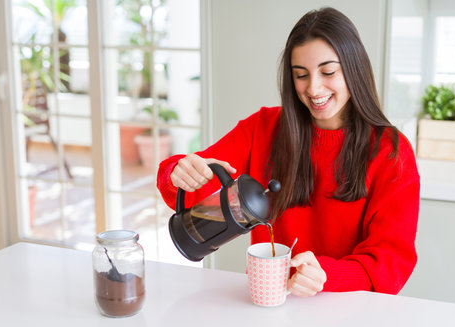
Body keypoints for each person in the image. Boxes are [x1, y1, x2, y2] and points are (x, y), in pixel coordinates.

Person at [157, 7, 420, 297]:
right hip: (270, 303)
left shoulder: (390, 151)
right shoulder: (264, 128)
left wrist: (327, 275)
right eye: (301, 75)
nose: (314, 88)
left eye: (328, 71)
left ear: (353, 67)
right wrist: (178, 173)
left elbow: (391, 262)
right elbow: (194, 181)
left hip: (350, 311)